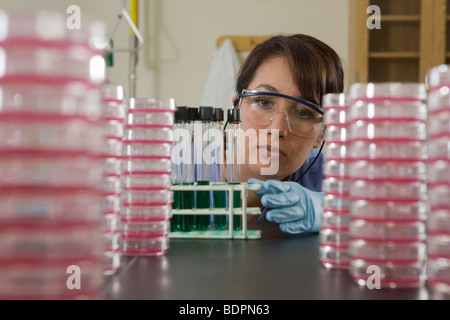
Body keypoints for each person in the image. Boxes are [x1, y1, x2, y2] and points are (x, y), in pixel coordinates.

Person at [231, 33, 344, 234]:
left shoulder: (328, 177)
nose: (277, 129)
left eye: (303, 112)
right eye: (264, 102)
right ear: (235, 108)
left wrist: (330, 210)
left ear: (322, 135)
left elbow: (398, 213)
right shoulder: (181, 169)